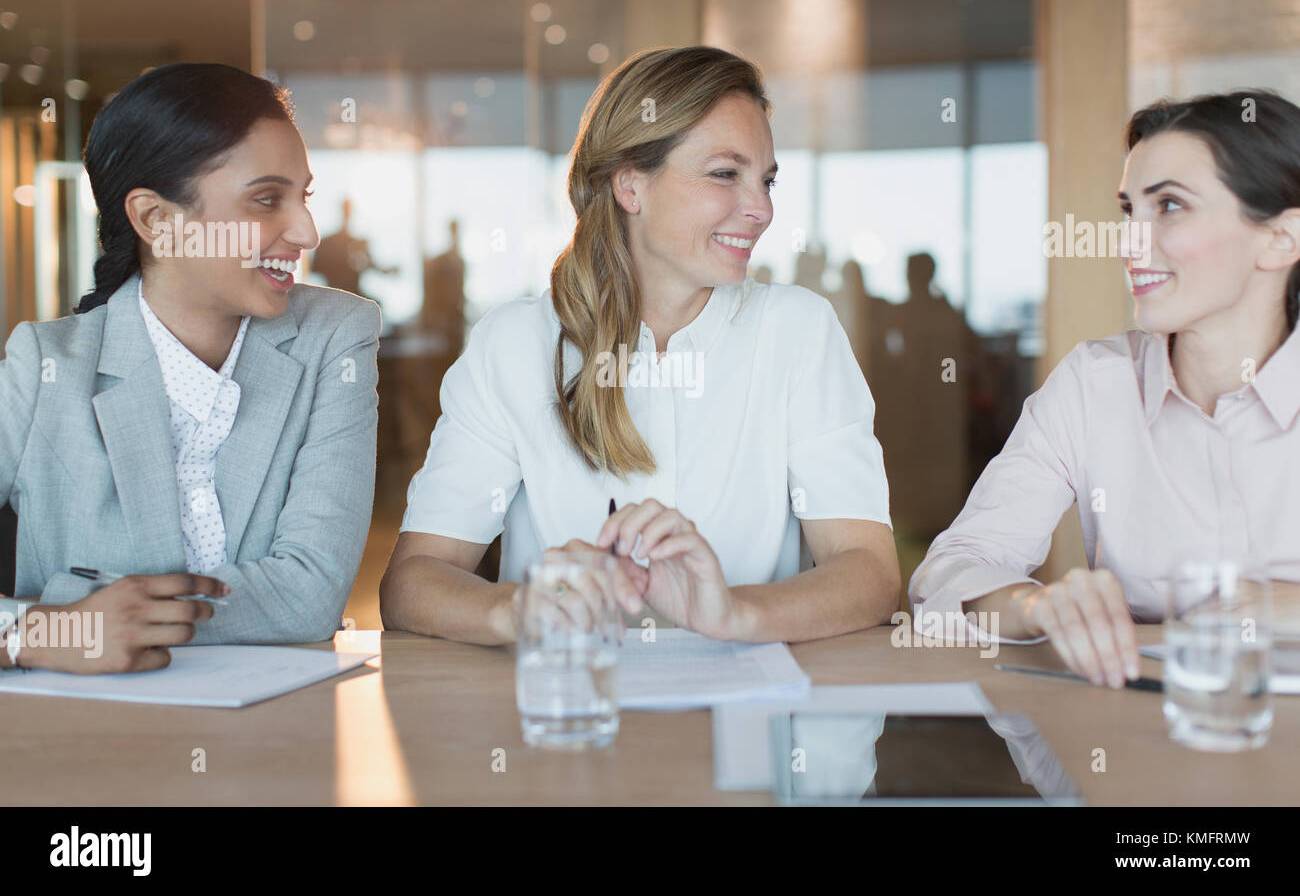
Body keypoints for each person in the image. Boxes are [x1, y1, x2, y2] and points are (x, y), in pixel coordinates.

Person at [381, 46, 899, 645]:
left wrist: (734, 615)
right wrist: (517, 612)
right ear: (630, 185)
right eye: (725, 174)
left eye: (766, 180)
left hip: (750, 723)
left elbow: (870, 572)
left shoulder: (798, 332)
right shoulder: (515, 344)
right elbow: (411, 582)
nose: (761, 209)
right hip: (570, 714)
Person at [910, 90, 1300, 687]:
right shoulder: (1094, 385)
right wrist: (1037, 608)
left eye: (1169, 206)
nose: (1128, 246)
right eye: (1129, 211)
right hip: (1146, 740)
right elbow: (951, 570)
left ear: (1280, 239)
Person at [0, 63, 381, 673]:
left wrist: (83, 609)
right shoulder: (45, 369)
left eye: (302, 197)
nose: (306, 231)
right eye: (265, 200)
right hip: (85, 743)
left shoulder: (334, 337)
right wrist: (37, 631)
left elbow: (310, 595)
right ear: (156, 220)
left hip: (278, 738)